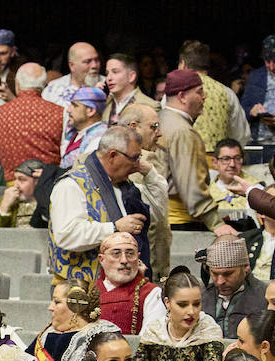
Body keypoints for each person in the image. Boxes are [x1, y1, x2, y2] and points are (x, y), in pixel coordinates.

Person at [46, 126, 149, 282]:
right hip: (78, 292)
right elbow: (66, 235)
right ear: (113, 155)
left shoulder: (125, 186)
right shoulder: (71, 185)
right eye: (134, 158)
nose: (137, 164)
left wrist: (151, 175)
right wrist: (114, 227)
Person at [160, 69, 224, 233]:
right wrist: (216, 223)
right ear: (182, 97)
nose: (204, 97)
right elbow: (191, 184)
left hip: (160, 217)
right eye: (199, 92)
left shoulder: (159, 119)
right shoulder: (183, 131)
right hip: (180, 221)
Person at [134, 267, 223, 361]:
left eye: (196, 304)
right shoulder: (155, 330)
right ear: (167, 302)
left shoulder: (208, 329)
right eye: (182, 305)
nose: (191, 311)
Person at [203, 235, 268, 339]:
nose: (220, 282)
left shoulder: (266, 297)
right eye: (214, 274)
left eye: (228, 274)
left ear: (246, 267)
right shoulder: (200, 297)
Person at [60, 87, 107, 170]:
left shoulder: (100, 138)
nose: (68, 110)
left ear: (91, 111)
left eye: (75, 105)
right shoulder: (75, 131)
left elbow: (86, 172)